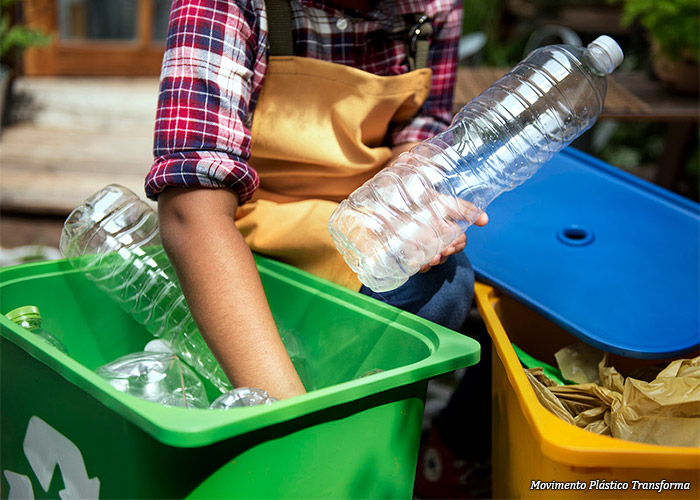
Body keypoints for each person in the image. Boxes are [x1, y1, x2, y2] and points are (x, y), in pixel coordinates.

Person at [146, 2, 489, 491]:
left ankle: (352, 434)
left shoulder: (431, 7)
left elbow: (422, 129)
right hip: (243, 239)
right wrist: (291, 427)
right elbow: (190, 213)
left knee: (447, 284)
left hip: (356, 233)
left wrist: (414, 201)